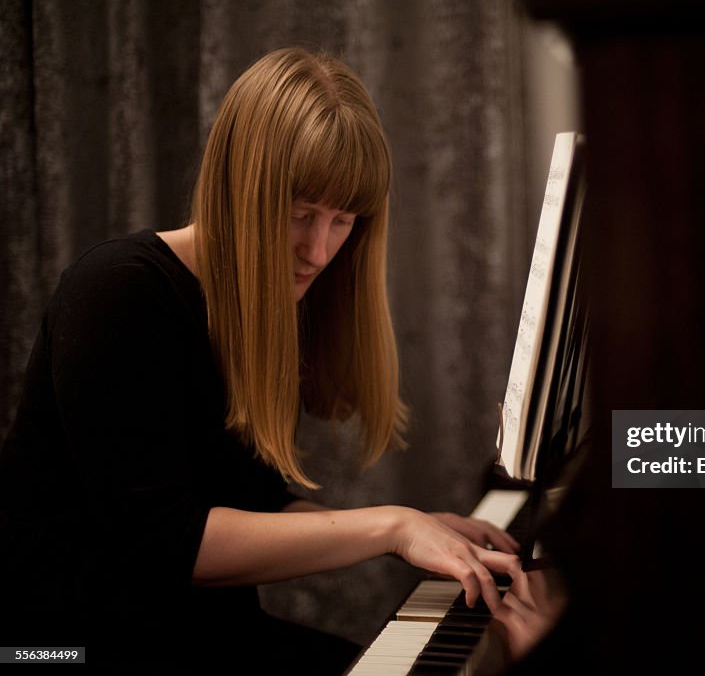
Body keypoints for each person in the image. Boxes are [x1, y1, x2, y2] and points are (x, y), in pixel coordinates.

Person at [0, 47, 520, 674]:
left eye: (341, 220)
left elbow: (252, 502)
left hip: (188, 635)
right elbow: (166, 542)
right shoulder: (116, 291)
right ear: (239, 188)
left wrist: (416, 534)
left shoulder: (268, 302)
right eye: (299, 215)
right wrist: (390, 527)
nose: (318, 250)